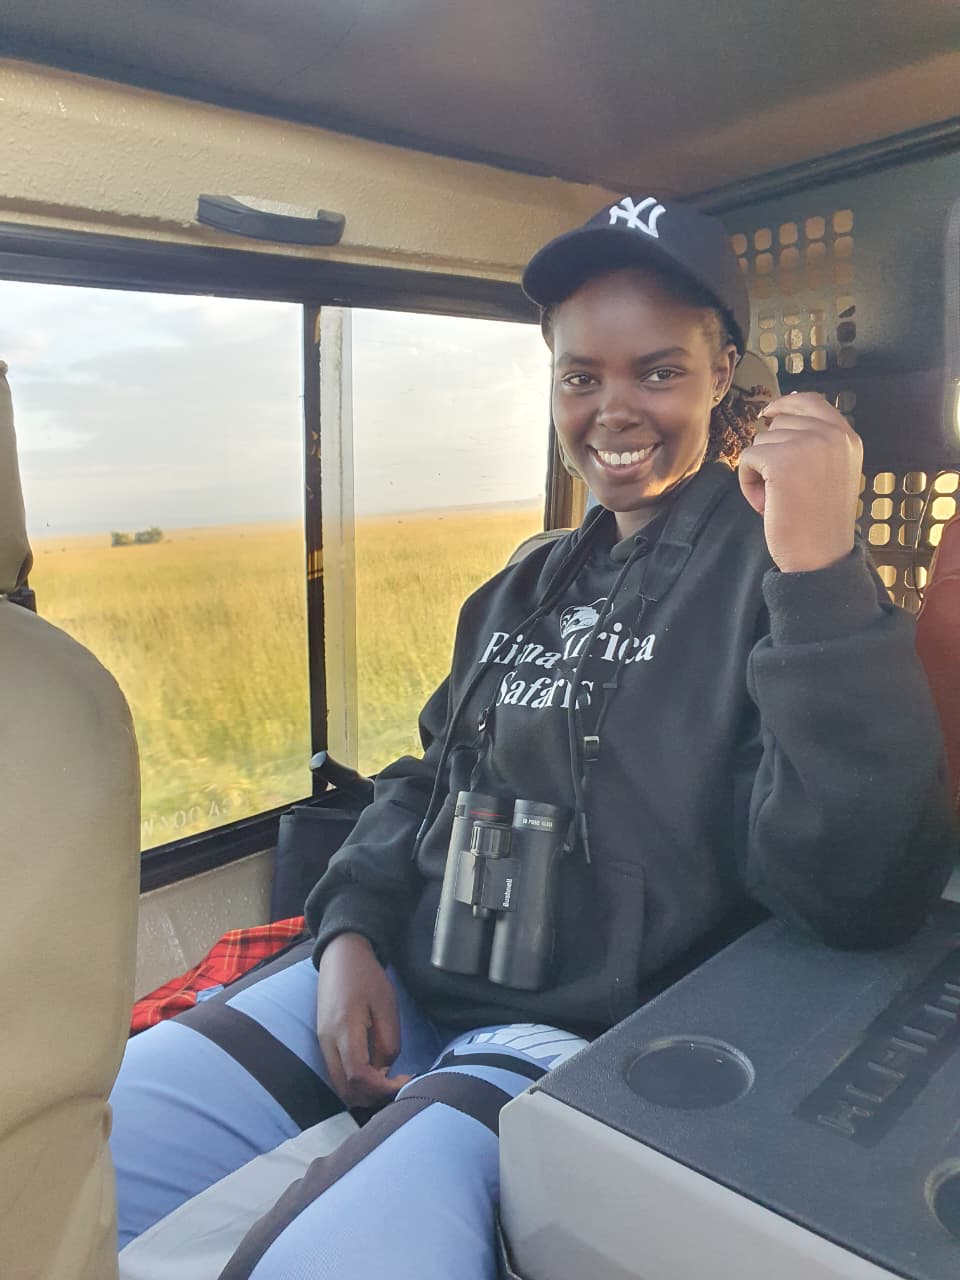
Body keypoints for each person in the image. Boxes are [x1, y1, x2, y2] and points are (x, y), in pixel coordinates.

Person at [110, 195, 957, 1279]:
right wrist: (350, 934)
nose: (614, 408)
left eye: (659, 371)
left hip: (578, 1027)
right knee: (89, 1141)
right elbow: (421, 774)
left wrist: (818, 566)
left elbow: (860, 888)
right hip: (413, 969)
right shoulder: (522, 581)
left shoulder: (783, 584)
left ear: (723, 375)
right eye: (580, 375)